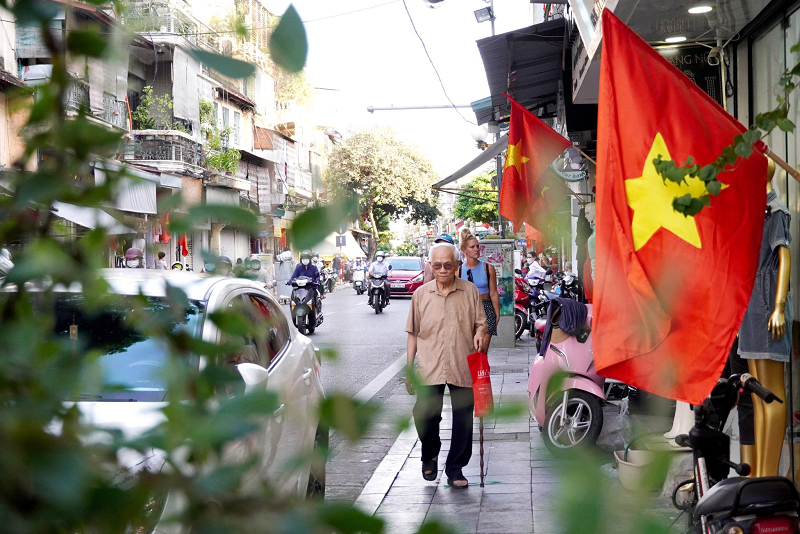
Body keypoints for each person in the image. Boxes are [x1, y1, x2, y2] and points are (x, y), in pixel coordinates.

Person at [405, 242, 487, 489]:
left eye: (447, 265)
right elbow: (412, 333)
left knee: (463, 419)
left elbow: (482, 323)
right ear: (430, 266)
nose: (442, 270)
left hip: (462, 363)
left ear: (457, 266)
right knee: (424, 415)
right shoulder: (421, 295)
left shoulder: (470, 291)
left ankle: (455, 468)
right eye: (437, 265)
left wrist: (481, 332)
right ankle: (430, 452)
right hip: (430, 366)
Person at [459, 229, 500, 351]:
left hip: (486, 308)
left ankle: (482, 371)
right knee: (470, 350)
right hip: (466, 309)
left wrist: (497, 314)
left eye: (478, 246)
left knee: (482, 350)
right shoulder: (459, 271)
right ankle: (472, 371)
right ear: (464, 250)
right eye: (472, 247)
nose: (476, 249)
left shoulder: (488, 268)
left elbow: (493, 293)